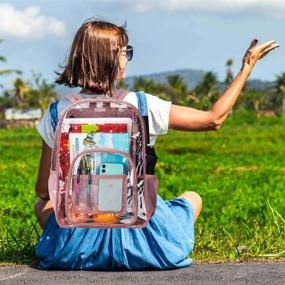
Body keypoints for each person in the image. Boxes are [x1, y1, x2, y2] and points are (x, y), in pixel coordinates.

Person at [34, 18, 278, 270]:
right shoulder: (143, 105)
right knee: (192, 198)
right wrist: (247, 68)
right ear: (109, 58)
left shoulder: (57, 113)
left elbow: (43, 190)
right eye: (124, 52)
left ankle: (80, 242)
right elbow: (213, 119)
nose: (127, 58)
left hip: (76, 250)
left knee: (42, 204)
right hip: (144, 243)